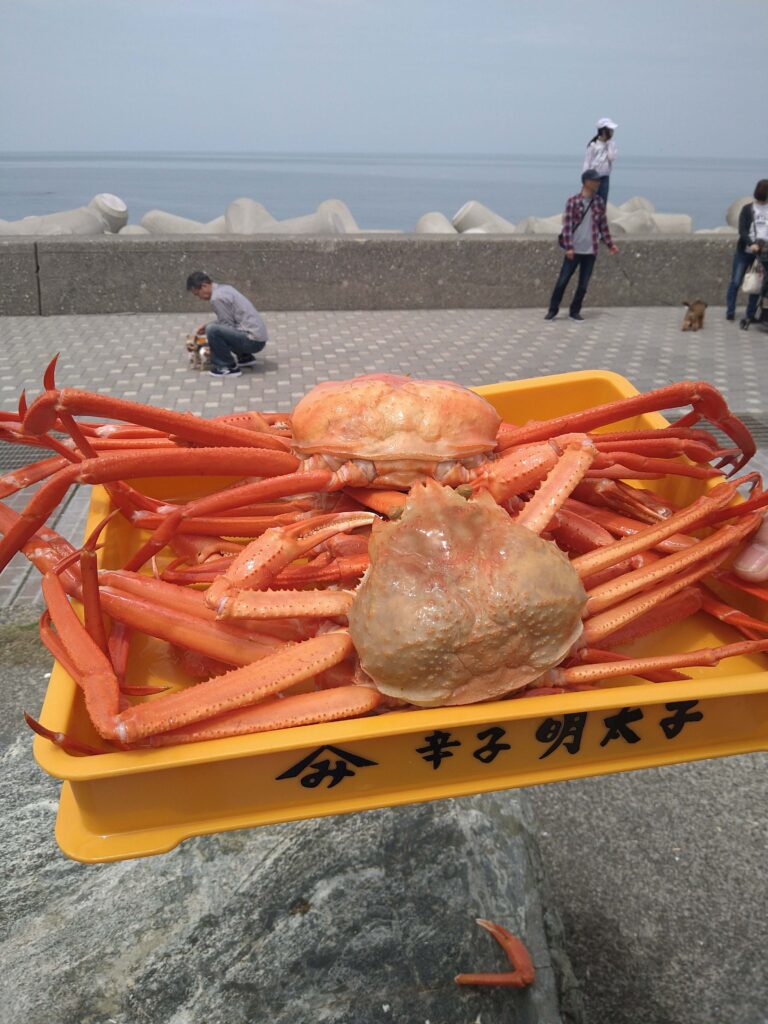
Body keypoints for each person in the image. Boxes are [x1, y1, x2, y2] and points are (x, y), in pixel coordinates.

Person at [544, 169, 619, 323]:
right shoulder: (573, 202)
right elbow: (567, 227)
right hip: (574, 249)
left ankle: (575, 311)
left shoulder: (599, 202)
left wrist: (610, 244)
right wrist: (569, 247)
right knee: (563, 281)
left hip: (591, 250)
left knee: (583, 285)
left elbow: (603, 226)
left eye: (599, 180)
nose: (598, 183)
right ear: (586, 182)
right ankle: (553, 310)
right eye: (595, 180)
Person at [186, 271, 268, 377]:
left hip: (252, 342)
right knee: (213, 328)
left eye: (197, 294)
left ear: (204, 286)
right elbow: (230, 321)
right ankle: (245, 357)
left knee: (212, 330)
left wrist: (211, 346)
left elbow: (226, 326)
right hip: (258, 339)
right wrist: (207, 327)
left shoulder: (217, 298)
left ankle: (227, 367)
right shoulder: (225, 288)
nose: (199, 297)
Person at [725, 179, 768, 324]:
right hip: (745, 251)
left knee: (757, 284)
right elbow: (742, 230)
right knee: (736, 281)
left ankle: (750, 314)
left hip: (763, 253)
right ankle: (730, 311)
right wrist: (751, 243)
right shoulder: (747, 209)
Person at [583, 118, 618, 201]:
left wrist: (609, 144)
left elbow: (611, 157)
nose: (612, 132)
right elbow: (587, 162)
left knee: (602, 200)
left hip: (605, 176)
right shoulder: (593, 145)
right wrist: (584, 178)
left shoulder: (612, 144)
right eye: (610, 130)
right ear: (603, 131)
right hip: (593, 177)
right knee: (591, 200)